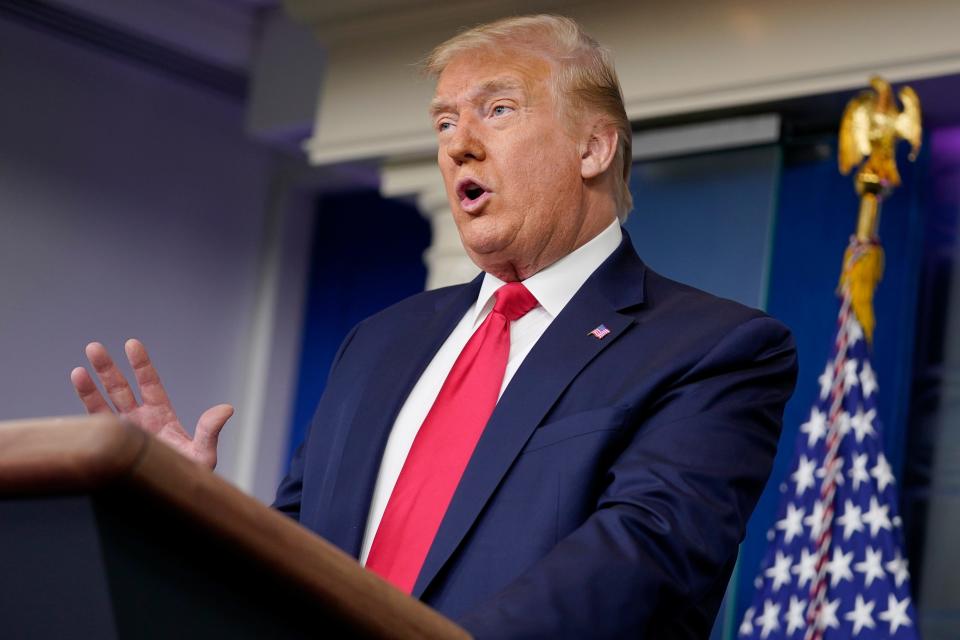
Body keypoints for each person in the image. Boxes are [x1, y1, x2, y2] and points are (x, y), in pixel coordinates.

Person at [70, 15, 798, 638]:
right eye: (446, 121)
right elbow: (295, 557)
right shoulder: (380, 342)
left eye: (499, 110)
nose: (458, 145)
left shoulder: (712, 349)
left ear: (593, 148)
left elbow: (641, 564)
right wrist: (189, 512)